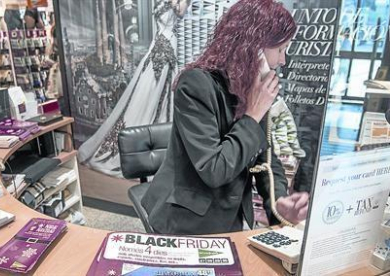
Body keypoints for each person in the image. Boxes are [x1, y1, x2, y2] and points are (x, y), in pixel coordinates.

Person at [141, 0, 309, 235]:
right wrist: (253, 114)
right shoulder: (196, 84)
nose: (283, 61)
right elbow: (214, 169)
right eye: (280, 49)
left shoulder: (252, 87)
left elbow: (263, 158)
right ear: (253, 48)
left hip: (230, 214)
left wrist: (278, 199)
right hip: (186, 218)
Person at [78, 0, 191, 176]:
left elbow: (179, 13)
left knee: (157, 95)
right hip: (161, 48)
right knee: (146, 95)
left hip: (165, 47)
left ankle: (157, 147)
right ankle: (142, 147)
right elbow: (173, 13)